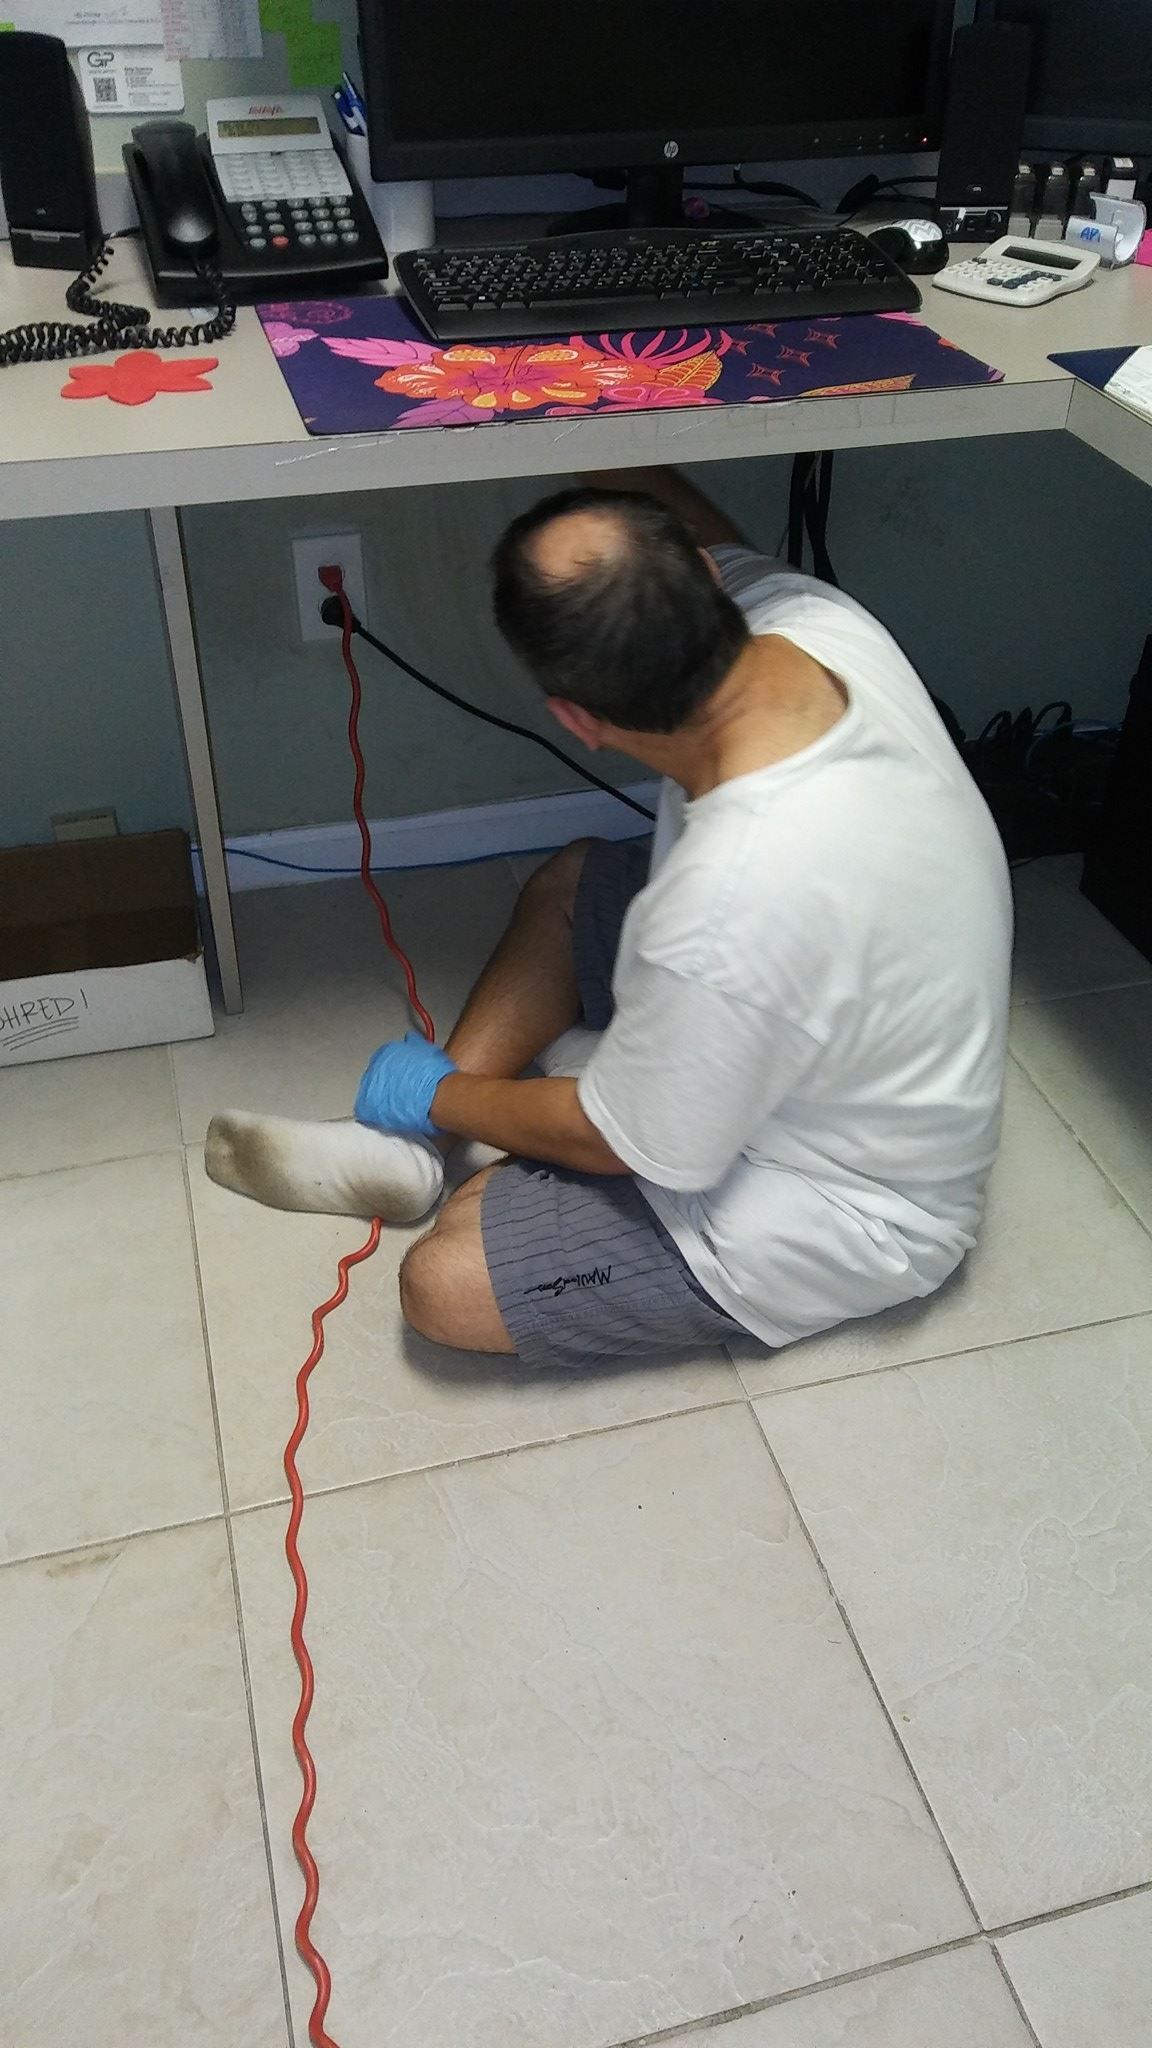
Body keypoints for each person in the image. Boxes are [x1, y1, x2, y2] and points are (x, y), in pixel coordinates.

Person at [206, 466, 1012, 1365]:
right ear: (709, 577)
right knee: (573, 884)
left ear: (576, 721)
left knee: (446, 1279)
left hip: (859, 1202)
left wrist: (436, 1086)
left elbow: (608, 1145)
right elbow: (697, 521)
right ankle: (410, 1153)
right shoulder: (814, 619)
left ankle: (435, 1119)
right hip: (842, 995)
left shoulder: (720, 906)